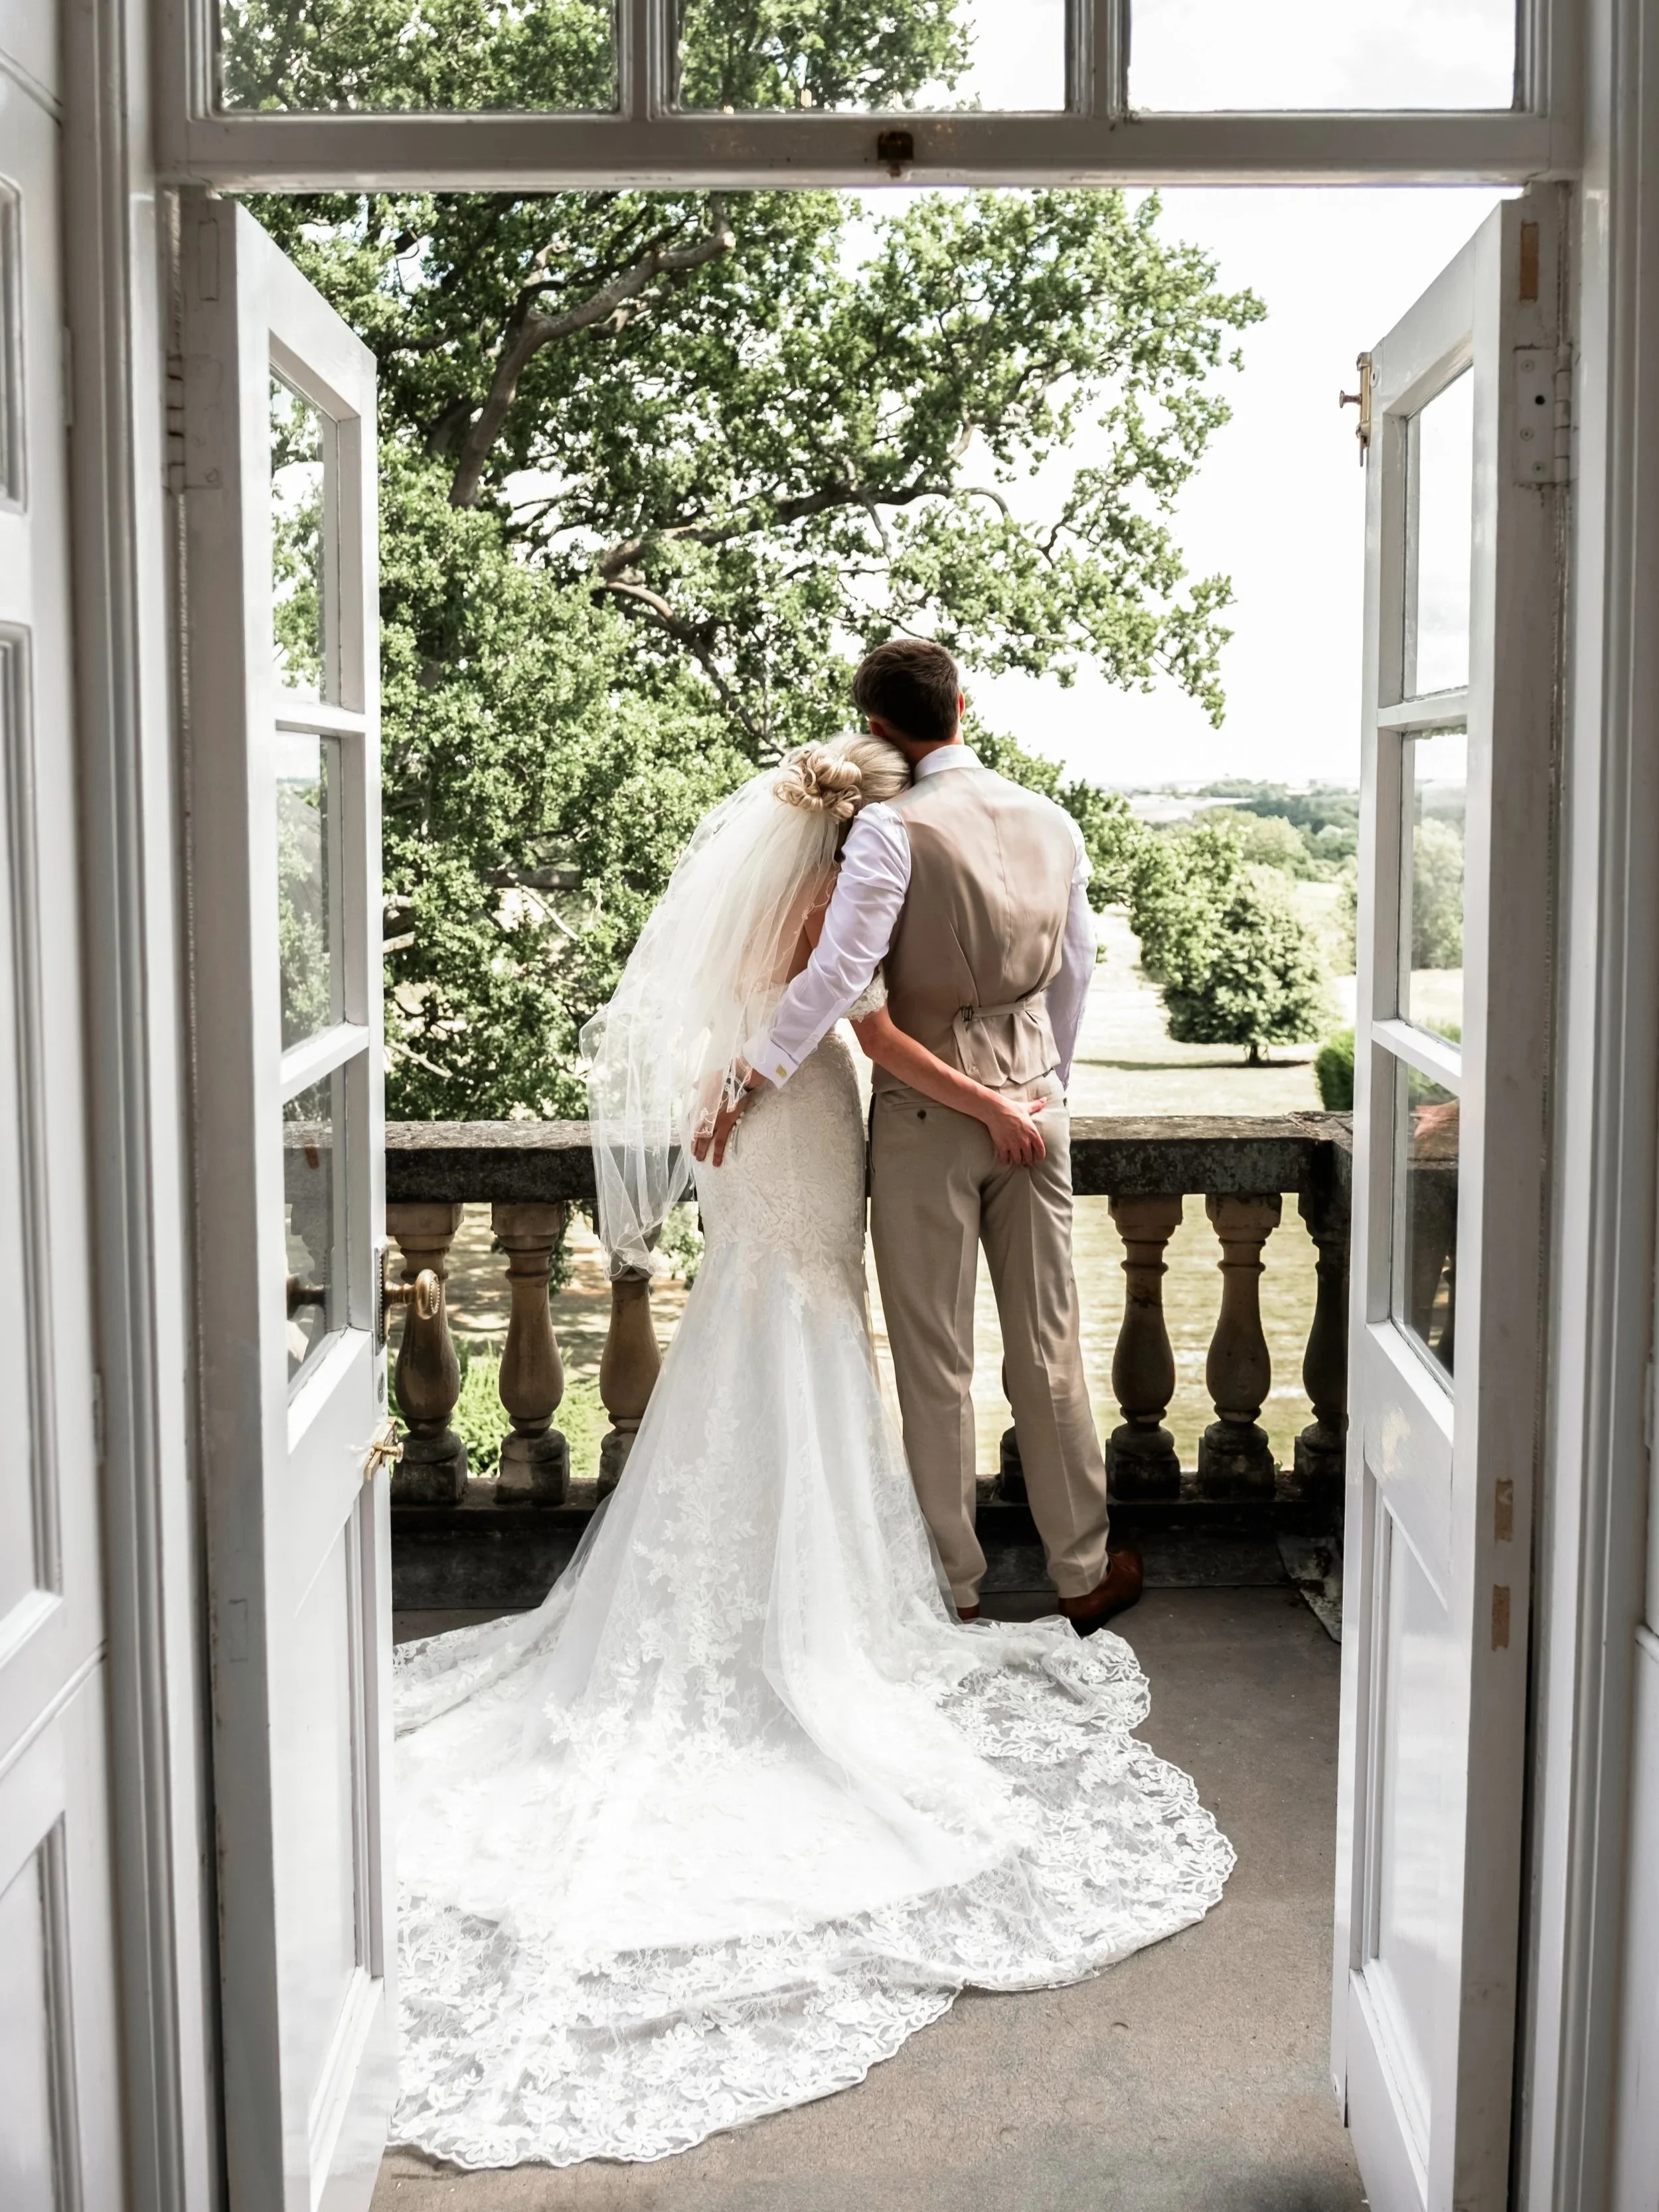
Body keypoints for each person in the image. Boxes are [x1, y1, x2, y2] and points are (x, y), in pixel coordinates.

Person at [389, 722, 1233, 2174]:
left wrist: (733, 1083)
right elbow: (853, 996)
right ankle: (910, 1583)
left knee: (820, 1330)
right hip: (820, 1106)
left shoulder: (850, 851)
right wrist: (1015, 1085)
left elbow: (789, 992)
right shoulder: (906, 849)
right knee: (838, 1325)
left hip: (782, 1101)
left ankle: (905, 1576)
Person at [708, 638, 1138, 1631]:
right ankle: (1082, 1574)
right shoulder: (1053, 820)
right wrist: (1041, 1088)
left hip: (921, 1116)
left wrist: (751, 1074)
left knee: (932, 1354)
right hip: (1034, 1104)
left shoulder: (890, 832)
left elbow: (834, 981)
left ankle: (953, 1583)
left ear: (873, 727)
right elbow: (1073, 974)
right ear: (962, 704)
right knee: (1050, 1345)